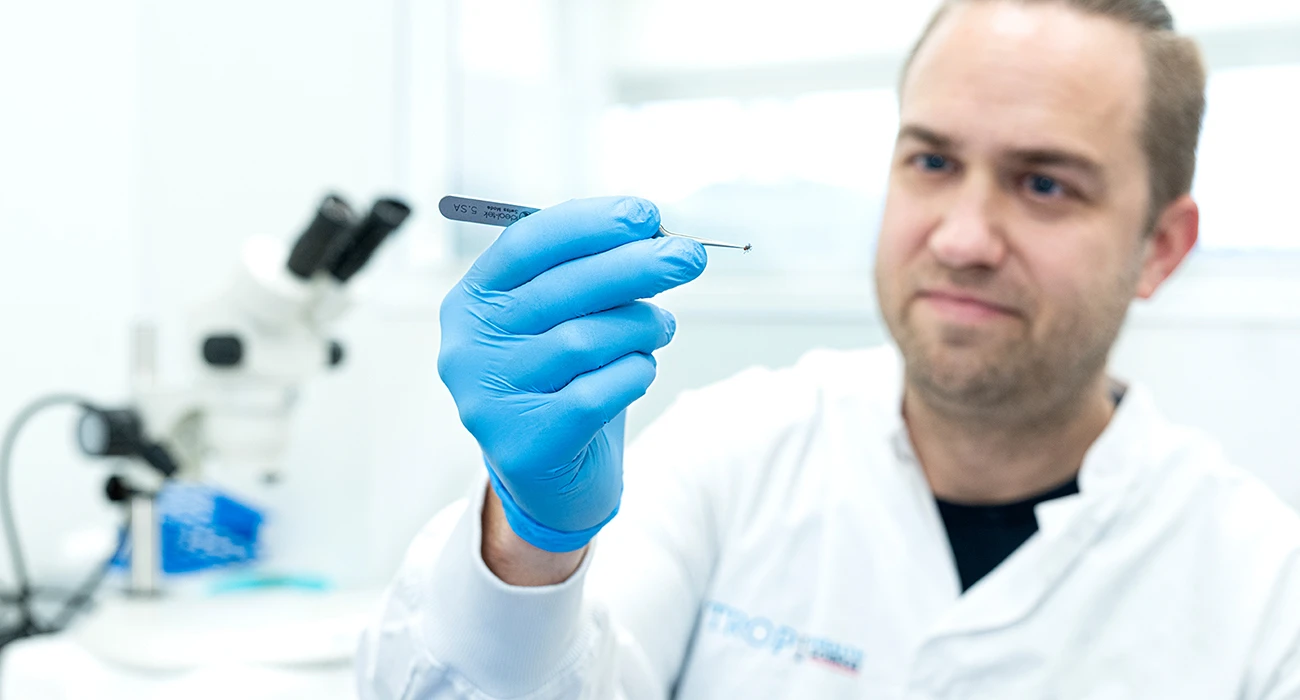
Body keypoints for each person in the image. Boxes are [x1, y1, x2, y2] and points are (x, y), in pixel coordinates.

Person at [358, 0, 1300, 697]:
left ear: (1161, 247)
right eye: (932, 161)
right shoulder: (732, 451)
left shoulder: (1264, 588)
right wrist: (528, 543)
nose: (962, 238)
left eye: (1045, 184)